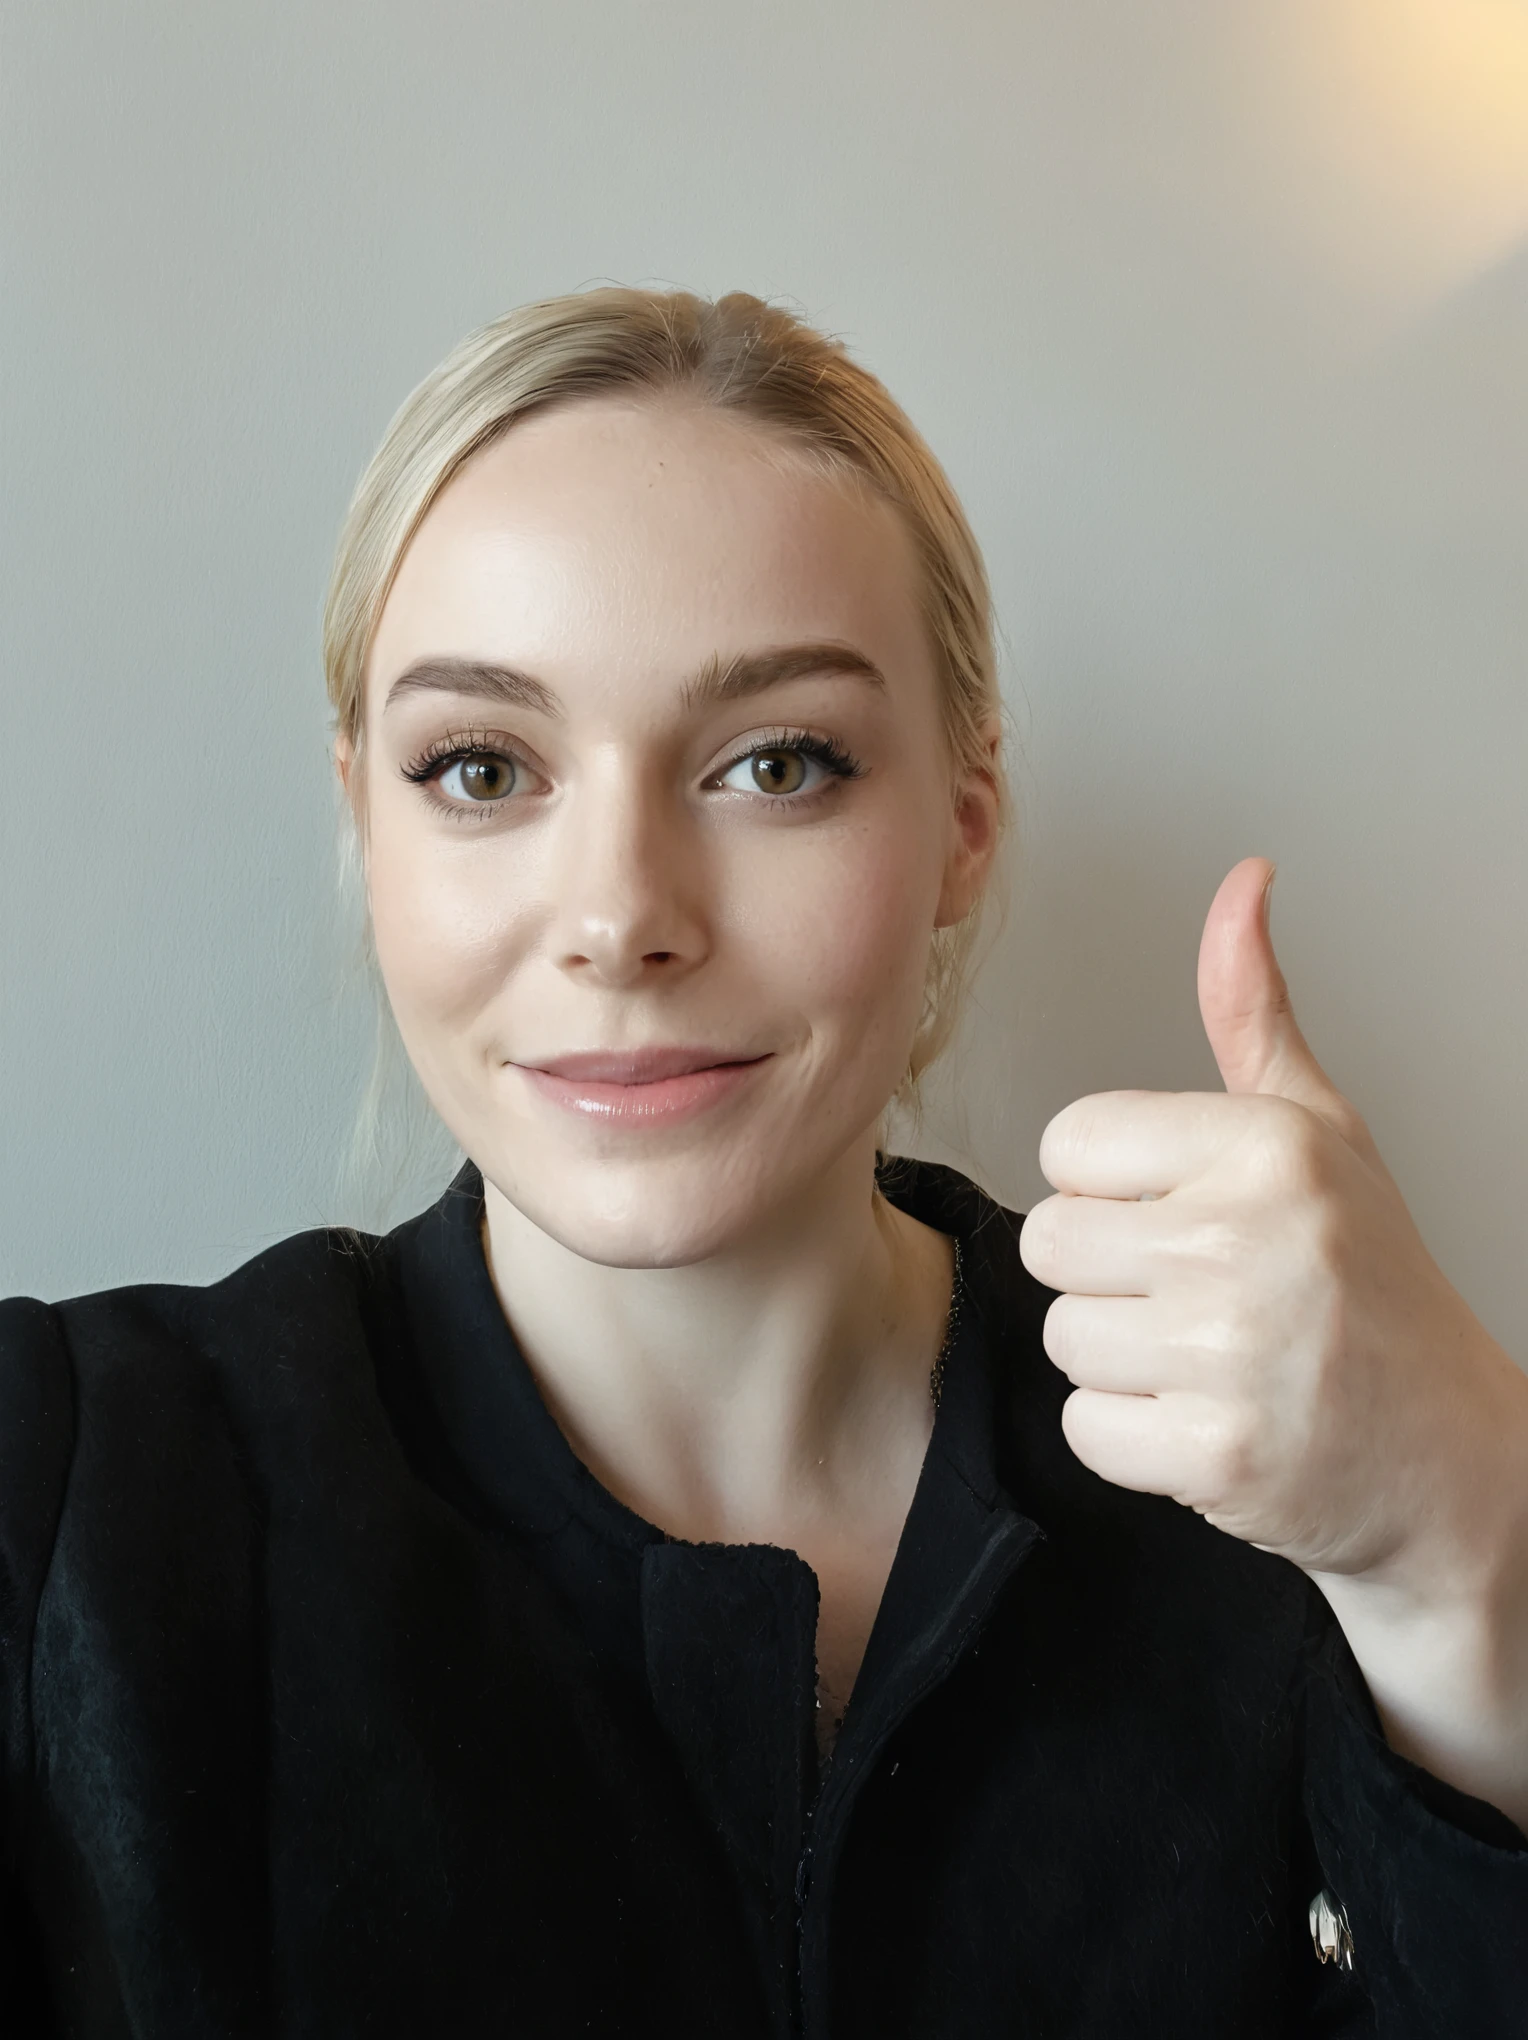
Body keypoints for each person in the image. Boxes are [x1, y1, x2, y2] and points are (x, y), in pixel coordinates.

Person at [1, 287, 1524, 2039]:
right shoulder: (67, 1490)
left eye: (774, 762)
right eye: (483, 767)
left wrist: (1467, 1525)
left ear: (962, 820)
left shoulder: (1281, 1469)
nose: (622, 917)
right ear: (368, 818)